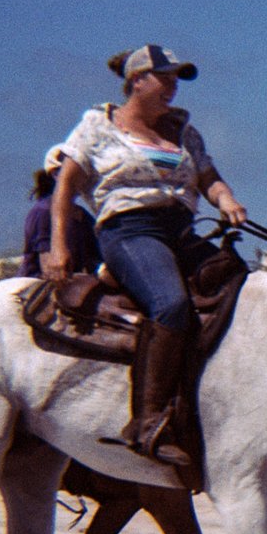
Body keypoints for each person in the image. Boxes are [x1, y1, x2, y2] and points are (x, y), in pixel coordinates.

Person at [44, 43, 247, 468]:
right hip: (128, 229)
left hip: (180, 229)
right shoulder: (98, 125)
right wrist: (58, 245)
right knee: (170, 304)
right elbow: (65, 186)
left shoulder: (184, 132)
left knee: (239, 282)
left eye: (176, 78)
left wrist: (225, 199)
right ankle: (148, 421)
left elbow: (208, 177)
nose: (173, 86)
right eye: (165, 77)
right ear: (137, 81)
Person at [19, 157, 99, 277]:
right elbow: (48, 267)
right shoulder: (43, 212)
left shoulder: (84, 216)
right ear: (56, 174)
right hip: (37, 281)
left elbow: (94, 259)